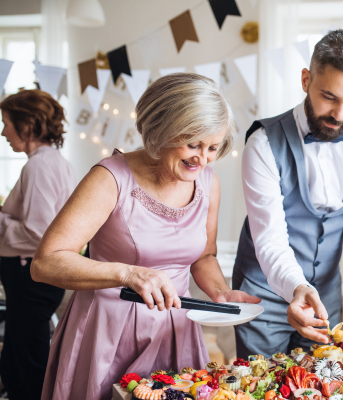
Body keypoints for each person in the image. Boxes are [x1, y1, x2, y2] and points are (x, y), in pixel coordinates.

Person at [32, 74, 260, 400]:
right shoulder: (110, 177)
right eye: (193, 144)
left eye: (212, 147)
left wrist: (221, 292)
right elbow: (45, 263)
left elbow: (203, 256)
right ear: (161, 128)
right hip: (106, 332)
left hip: (175, 330)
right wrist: (127, 273)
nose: (203, 158)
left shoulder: (208, 183)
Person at [233, 29, 343, 359]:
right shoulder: (263, 145)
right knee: (261, 387)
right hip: (263, 297)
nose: (340, 115)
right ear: (306, 79)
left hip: (326, 299)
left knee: (322, 384)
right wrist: (297, 287)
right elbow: (270, 239)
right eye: (330, 98)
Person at [0, 89, 77, 400]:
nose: (4, 131)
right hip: (28, 275)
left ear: (28, 124)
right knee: (17, 355)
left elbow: (40, 231)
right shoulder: (53, 162)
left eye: (6, 123)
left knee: (27, 360)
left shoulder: (39, 166)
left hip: (29, 275)